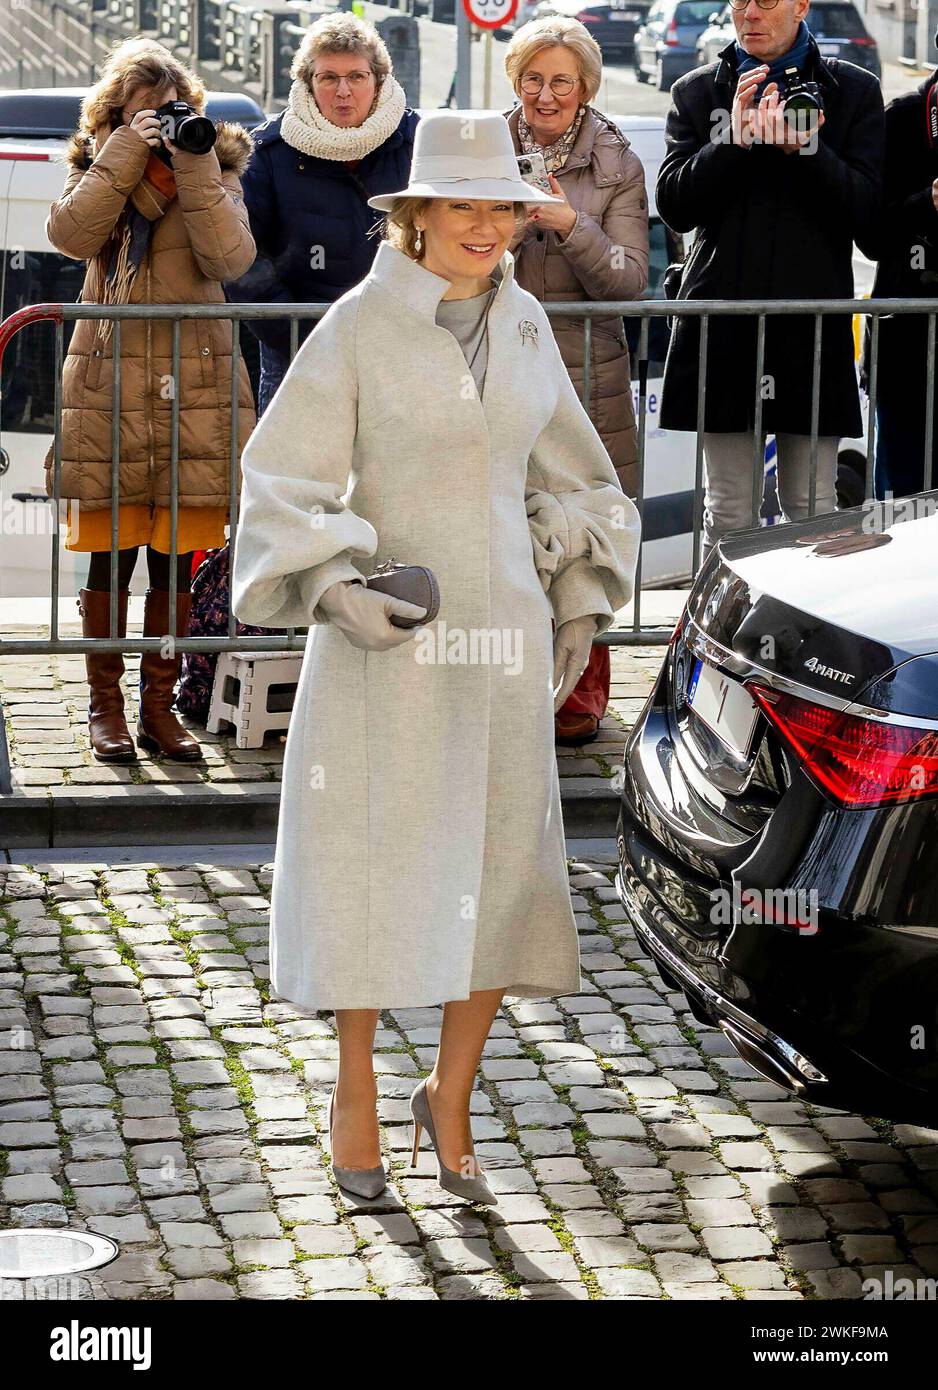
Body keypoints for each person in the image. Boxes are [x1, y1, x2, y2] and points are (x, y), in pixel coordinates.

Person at [231, 111, 640, 1204]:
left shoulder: (523, 326)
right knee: (370, 870)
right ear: (413, 215)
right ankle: (354, 1084)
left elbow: (582, 478)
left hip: (504, 643)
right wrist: (331, 587)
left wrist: (572, 597)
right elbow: (279, 480)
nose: (483, 224)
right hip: (385, 648)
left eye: (500, 205)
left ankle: (449, 1096)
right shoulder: (359, 326)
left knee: (498, 875)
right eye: (460, 202)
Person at [46, 37, 256, 763]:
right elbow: (72, 238)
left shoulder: (217, 167)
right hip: (109, 395)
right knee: (110, 561)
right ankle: (104, 707)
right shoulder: (95, 168)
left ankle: (158, 708)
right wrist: (123, 155)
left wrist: (192, 162)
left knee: (172, 562)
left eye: (171, 112)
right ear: (114, 116)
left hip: (192, 397)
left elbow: (229, 259)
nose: (160, 125)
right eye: (144, 115)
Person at [657, 0, 884, 552]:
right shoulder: (696, 90)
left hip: (811, 327)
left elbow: (870, 222)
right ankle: (732, 636)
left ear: (801, 4)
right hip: (723, 323)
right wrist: (732, 139)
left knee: (814, 509)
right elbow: (675, 206)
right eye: (738, 1)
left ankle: (805, 638)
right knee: (729, 508)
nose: (749, 14)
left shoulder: (852, 90)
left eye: (766, 1)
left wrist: (804, 149)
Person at [504, 16, 649, 744]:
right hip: (498, 364)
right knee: (506, 525)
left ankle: (580, 691)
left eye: (562, 80)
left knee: (583, 524)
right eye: (533, 78)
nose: (546, 93)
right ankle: (511, 680)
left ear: (585, 86)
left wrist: (568, 224)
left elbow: (627, 282)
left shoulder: (616, 160)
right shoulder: (486, 144)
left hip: (587, 372)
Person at [226, 13, 418, 415]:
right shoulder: (268, 151)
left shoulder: (416, 141)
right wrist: (296, 331)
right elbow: (241, 257)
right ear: (309, 84)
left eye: (357, 77)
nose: (343, 91)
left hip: (400, 347)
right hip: (298, 350)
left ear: (378, 80)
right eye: (329, 78)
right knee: (293, 475)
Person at [867, 28, 938, 500]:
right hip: (907, 358)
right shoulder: (903, 118)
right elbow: (871, 234)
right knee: (904, 517)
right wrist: (927, 202)